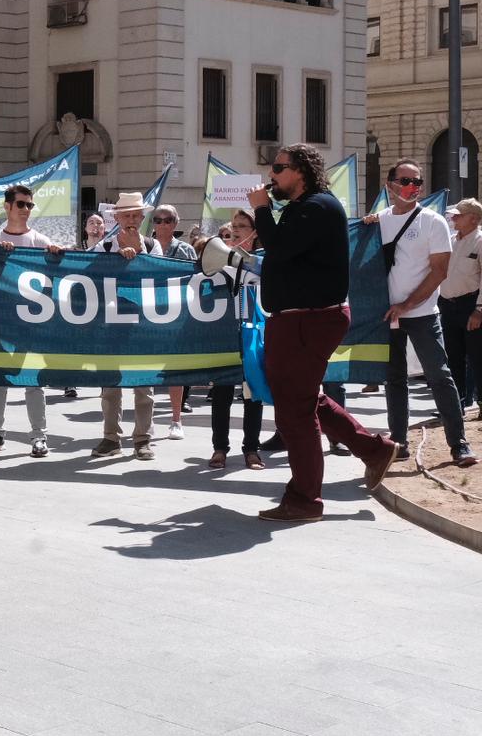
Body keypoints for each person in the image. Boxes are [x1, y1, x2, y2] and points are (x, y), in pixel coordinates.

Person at [249, 144, 397, 522]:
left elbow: (279, 248)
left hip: (308, 320)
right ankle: (375, 450)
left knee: (294, 413)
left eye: (279, 168)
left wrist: (261, 209)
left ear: (300, 170)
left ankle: (305, 499)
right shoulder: (306, 207)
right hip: (300, 319)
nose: (272, 176)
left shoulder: (318, 207)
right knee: (304, 400)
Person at [365, 159, 475, 467]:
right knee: (394, 379)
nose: (413, 187)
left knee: (440, 376)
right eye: (405, 180)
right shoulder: (378, 222)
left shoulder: (432, 222)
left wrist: (407, 305)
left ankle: (459, 445)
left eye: (417, 182)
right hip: (387, 316)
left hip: (422, 314)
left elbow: (439, 271)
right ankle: (399, 443)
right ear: (389, 186)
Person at [0, 185, 62, 457]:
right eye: (21, 204)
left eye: (30, 205)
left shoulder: (39, 240)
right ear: (7, 207)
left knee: (33, 382)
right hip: (1, 322)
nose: (26, 210)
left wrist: (56, 253)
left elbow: (62, 264)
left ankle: (39, 436)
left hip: (31, 324)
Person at [90, 191, 161, 460]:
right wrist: (117, 258)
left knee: (145, 385)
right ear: (117, 218)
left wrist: (138, 253)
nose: (131, 220)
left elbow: (156, 276)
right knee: (110, 386)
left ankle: (143, 439)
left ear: (142, 218)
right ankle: (111, 437)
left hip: (142, 324)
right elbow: (91, 277)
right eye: (126, 215)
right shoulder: (103, 248)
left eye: (135, 215)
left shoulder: (153, 246)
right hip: (112, 324)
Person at [203, 209, 264, 470]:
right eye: (234, 226)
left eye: (243, 225)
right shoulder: (220, 260)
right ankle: (220, 448)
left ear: (255, 232)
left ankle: (252, 449)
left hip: (253, 335)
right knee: (221, 394)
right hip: (225, 335)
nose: (236, 229)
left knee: (253, 394)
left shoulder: (263, 261)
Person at [151, 204, 198, 440]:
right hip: (147, 314)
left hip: (178, 315)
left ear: (175, 223)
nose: (162, 224)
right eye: (157, 220)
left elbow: (197, 282)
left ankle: (176, 419)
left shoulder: (187, 250)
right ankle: (145, 420)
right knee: (144, 367)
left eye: (167, 220)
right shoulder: (145, 248)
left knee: (175, 370)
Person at [439, 198, 482, 413]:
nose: (454, 218)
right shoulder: (451, 239)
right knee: (453, 356)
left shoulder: (480, 240)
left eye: (459, 215)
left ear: (473, 219)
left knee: (476, 357)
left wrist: (479, 310)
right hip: (447, 305)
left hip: (470, 305)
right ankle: (456, 405)